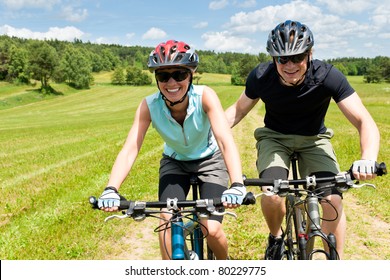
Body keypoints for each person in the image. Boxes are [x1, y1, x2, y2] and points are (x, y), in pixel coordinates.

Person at [225, 20, 380, 260]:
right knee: (272, 191)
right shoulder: (261, 76)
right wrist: (208, 137)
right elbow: (238, 111)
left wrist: (368, 158)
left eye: (297, 57)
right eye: (282, 59)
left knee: (332, 196)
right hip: (274, 138)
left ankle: (334, 262)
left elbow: (364, 120)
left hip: (314, 139)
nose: (290, 65)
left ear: (309, 54)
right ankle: (275, 238)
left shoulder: (327, 76)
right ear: (273, 59)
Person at [97, 39, 246, 260]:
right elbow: (130, 148)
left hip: (210, 160)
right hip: (175, 162)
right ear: (156, 79)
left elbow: (225, 140)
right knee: (166, 221)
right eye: (163, 76)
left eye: (179, 74)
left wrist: (237, 184)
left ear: (191, 75)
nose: (171, 82)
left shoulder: (205, 96)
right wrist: (111, 188)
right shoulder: (149, 105)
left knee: (212, 230)